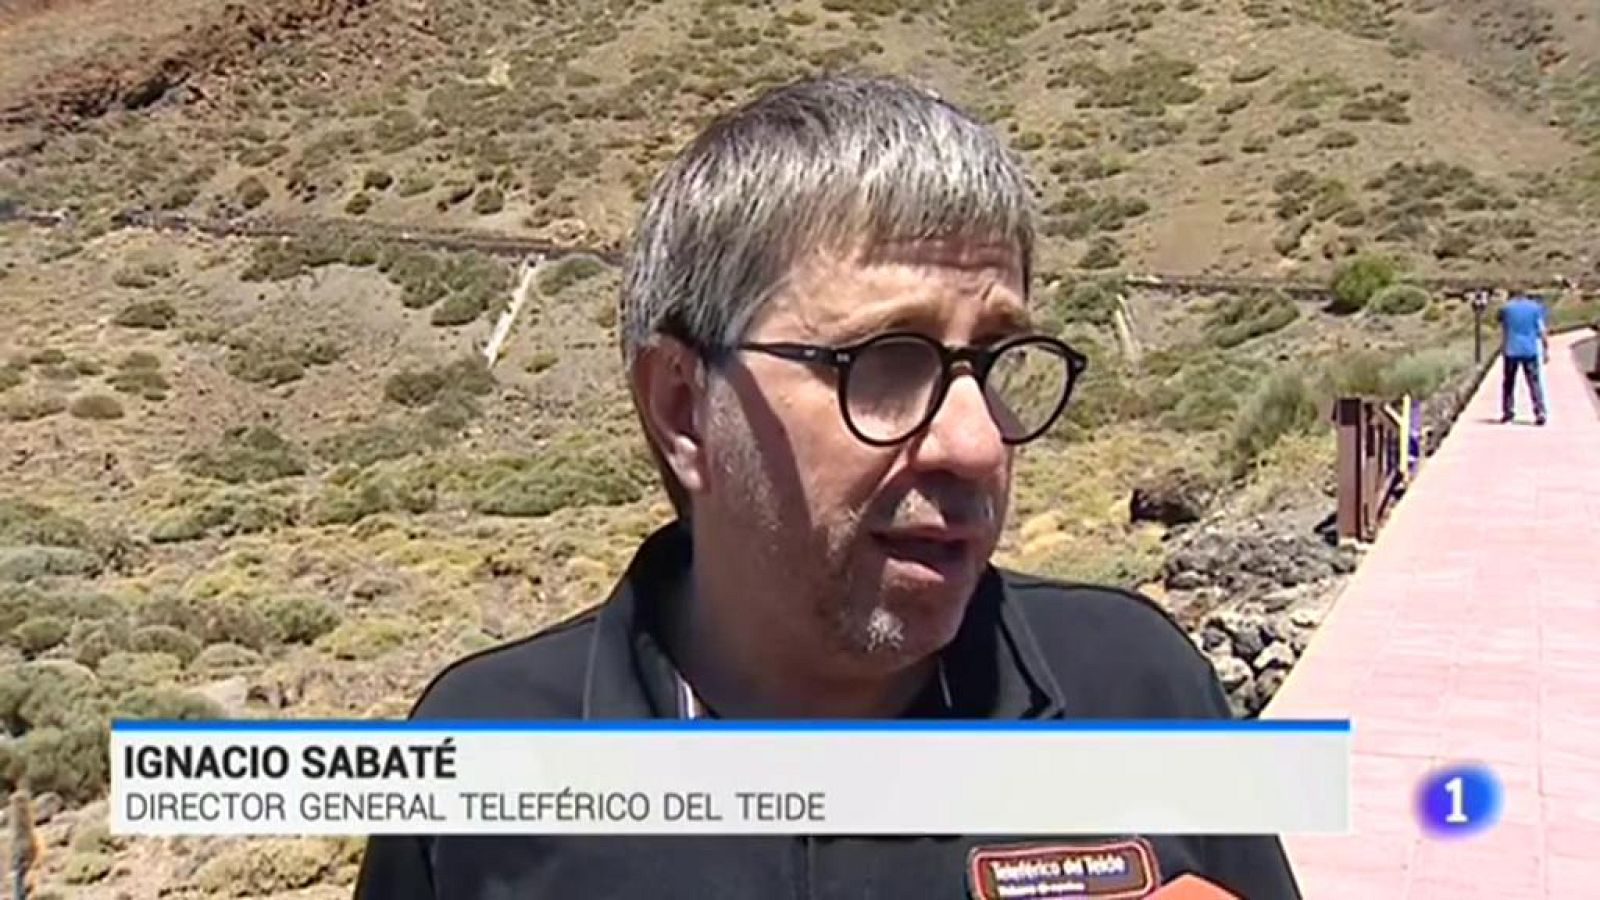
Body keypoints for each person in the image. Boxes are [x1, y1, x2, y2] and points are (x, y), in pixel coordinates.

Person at [353, 74, 1301, 899]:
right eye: (885, 361)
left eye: (996, 358)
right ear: (685, 409)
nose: (977, 445)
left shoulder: (1138, 690)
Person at [1498, 290, 1548, 424]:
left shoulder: (1506, 308)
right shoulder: (1535, 308)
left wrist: (1502, 346)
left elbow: (1504, 328)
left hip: (1511, 349)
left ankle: (1508, 412)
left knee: (1508, 383)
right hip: (1529, 350)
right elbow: (1542, 330)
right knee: (1534, 382)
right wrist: (1545, 348)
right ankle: (1540, 411)